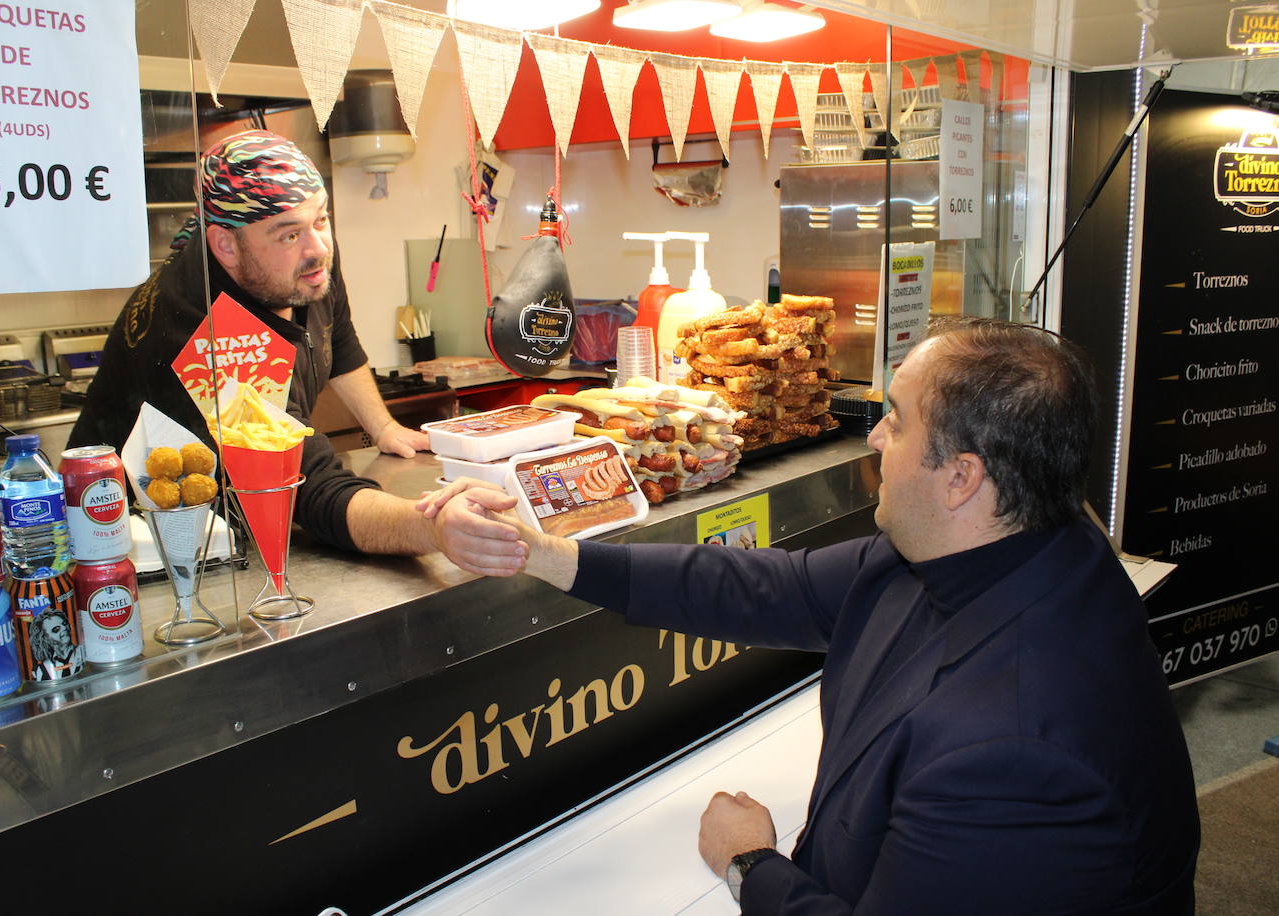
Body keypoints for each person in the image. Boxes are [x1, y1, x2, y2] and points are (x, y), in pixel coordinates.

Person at [430, 317, 1200, 912]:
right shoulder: (1007, 548)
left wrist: (750, 866)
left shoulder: (1012, 747)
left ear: (963, 478)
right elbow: (763, 588)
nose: (874, 437)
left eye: (895, 421)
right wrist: (539, 553)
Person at [71, 130, 521, 574]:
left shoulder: (305, 252)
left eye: (321, 220)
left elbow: (337, 334)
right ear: (225, 245)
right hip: (149, 551)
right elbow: (308, 488)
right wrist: (432, 528)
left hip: (235, 516)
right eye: (288, 235)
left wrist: (383, 427)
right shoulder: (210, 337)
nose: (318, 248)